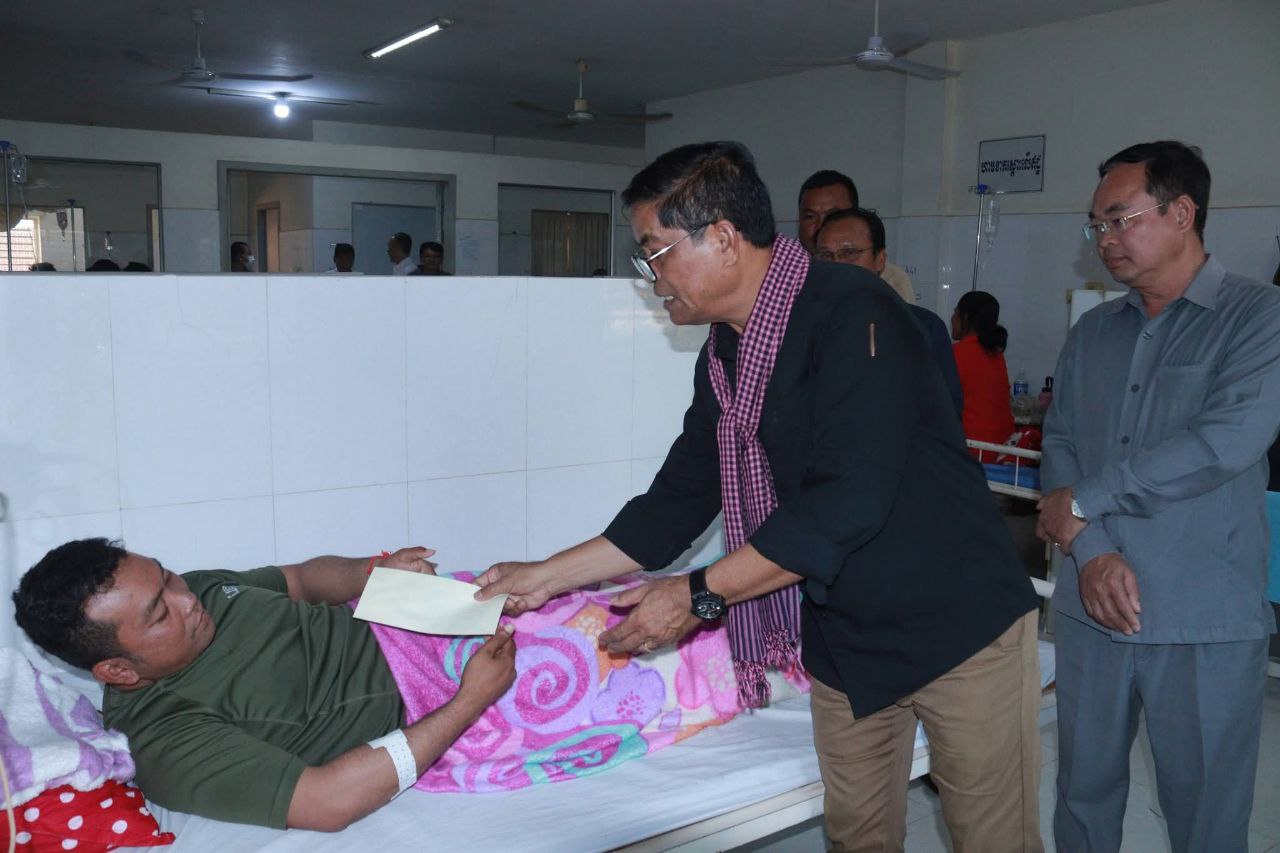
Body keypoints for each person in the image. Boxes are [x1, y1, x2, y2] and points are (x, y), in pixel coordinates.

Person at [477, 141, 1042, 852]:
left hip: (956, 626)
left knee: (994, 840)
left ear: (722, 237)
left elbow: (847, 502)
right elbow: (678, 500)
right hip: (844, 638)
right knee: (858, 839)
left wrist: (697, 594)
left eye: (655, 253)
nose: (650, 277)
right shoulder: (725, 354)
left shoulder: (856, 313)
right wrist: (542, 577)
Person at [1036, 141, 1280, 852]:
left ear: (1181, 213)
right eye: (1096, 225)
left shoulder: (1259, 317)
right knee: (1082, 797)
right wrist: (1091, 548)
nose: (1104, 239)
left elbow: (1222, 442)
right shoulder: (1093, 332)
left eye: (1120, 219)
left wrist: (1084, 503)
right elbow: (1061, 440)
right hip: (1092, 607)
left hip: (1202, 617)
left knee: (1206, 817)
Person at [12, 538, 515, 831]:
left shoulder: (199, 590)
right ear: (119, 671)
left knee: (538, 587)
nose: (187, 599)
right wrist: (470, 701)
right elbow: (327, 802)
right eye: (161, 613)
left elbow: (301, 580)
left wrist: (372, 570)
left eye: (167, 577)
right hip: (437, 696)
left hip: (412, 617)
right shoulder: (165, 737)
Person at [815, 207, 962, 414]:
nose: (836, 264)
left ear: (880, 260)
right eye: (825, 255)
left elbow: (946, 412)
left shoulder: (921, 326)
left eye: (849, 253)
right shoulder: (803, 328)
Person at [796, 169, 915, 303]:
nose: (821, 226)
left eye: (833, 216)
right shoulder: (784, 274)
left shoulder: (892, 281)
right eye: (810, 217)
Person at [951, 291, 1015, 444]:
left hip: (973, 446)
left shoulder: (956, 353)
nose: (952, 319)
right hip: (1003, 445)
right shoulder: (996, 354)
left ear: (965, 317)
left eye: (955, 312)